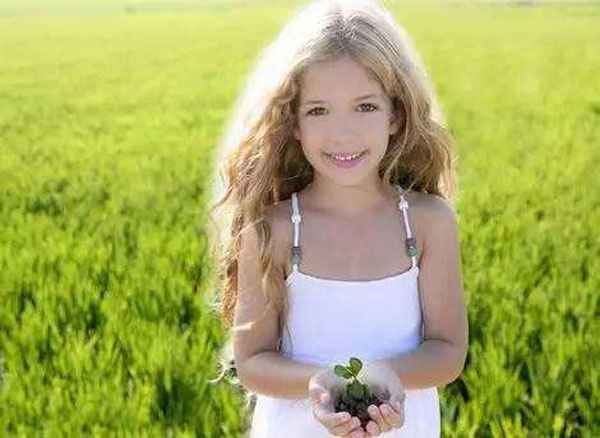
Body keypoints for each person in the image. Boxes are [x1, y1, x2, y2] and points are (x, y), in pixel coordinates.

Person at [206, 0, 468, 436]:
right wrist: (318, 384)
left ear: (395, 115)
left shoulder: (426, 223)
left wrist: (384, 380)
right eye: (318, 110)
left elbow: (447, 350)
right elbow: (252, 361)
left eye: (364, 107)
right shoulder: (274, 230)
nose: (343, 133)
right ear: (293, 124)